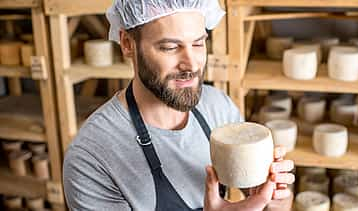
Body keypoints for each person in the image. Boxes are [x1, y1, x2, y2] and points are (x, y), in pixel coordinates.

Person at [63, 0, 295, 210]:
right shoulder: (92, 158)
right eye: (170, 47)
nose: (191, 65)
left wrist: (274, 199)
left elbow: (268, 204)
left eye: (198, 44)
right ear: (127, 44)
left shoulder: (218, 107)